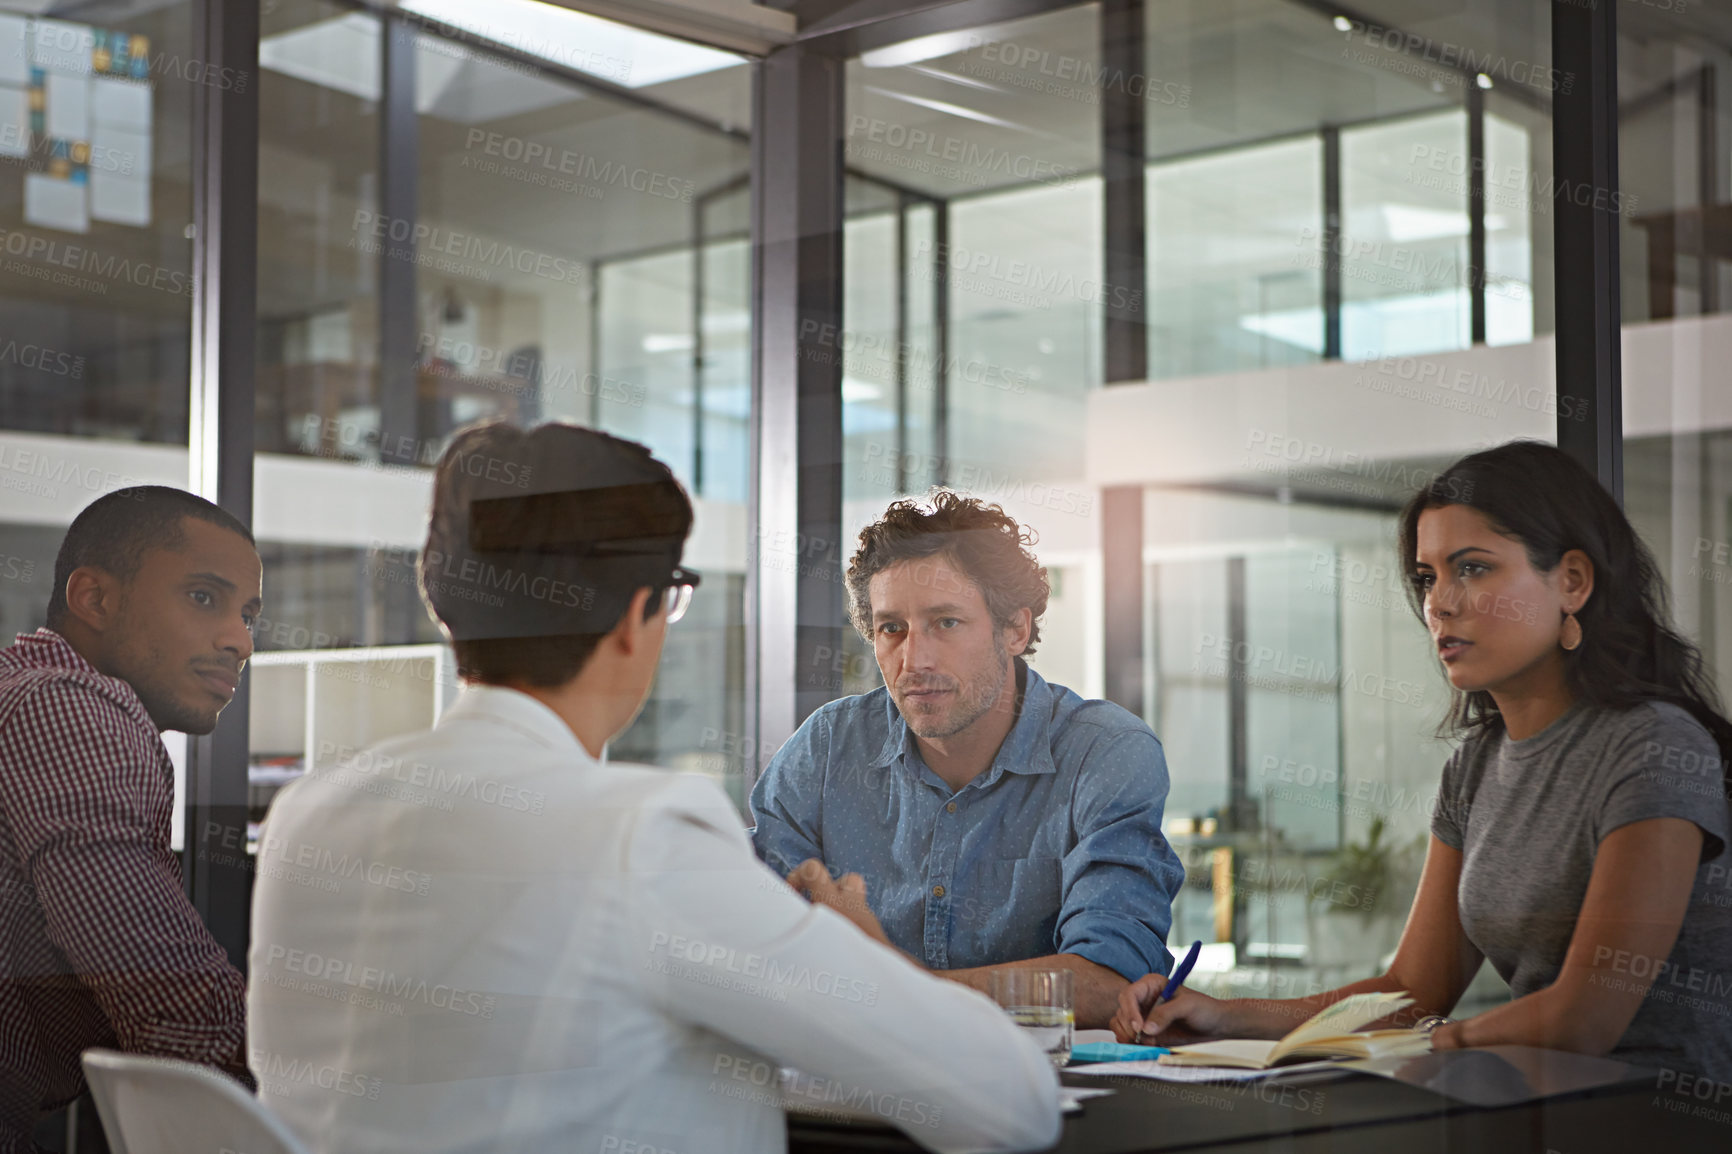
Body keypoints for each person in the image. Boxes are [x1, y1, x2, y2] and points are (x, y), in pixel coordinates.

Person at [248, 422, 1059, 1154]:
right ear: (641, 614)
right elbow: (1009, 1104)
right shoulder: (639, 834)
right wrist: (868, 956)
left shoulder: (307, 819)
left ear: (446, 605)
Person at [1114, 440, 1732, 1081]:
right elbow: (1410, 991)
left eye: (1473, 568)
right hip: (1533, 1105)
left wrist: (1436, 1041)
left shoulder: (1654, 747)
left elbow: (1584, 1020)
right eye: (1428, 576)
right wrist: (1225, 1014)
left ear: (1571, 581)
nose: (1439, 602)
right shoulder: (1476, 766)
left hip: (1659, 1121)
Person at [751, 490, 1184, 1029]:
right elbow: (753, 943)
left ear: (1015, 630)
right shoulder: (828, 747)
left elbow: (1108, 983)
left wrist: (894, 990)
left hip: (1040, 1096)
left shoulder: (1105, 753)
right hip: (848, 1088)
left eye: (946, 622)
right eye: (892, 629)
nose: (915, 659)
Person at [0, 487, 259, 1153]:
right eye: (204, 597)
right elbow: (172, 1006)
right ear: (96, 600)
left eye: (248, 614)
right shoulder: (67, 710)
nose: (240, 641)